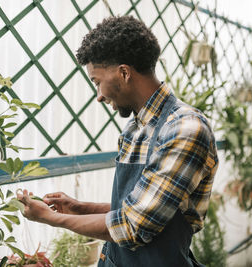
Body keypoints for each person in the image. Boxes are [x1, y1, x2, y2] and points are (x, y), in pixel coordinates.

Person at [17, 15, 218, 267]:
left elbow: (134, 226)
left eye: (97, 82)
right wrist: (79, 207)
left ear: (124, 73)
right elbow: (135, 207)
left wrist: (50, 218)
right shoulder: (136, 128)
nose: (99, 96)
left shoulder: (185, 129)